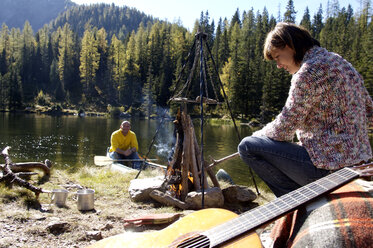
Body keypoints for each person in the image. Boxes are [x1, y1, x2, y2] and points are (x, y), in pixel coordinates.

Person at [238, 22, 373, 197]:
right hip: (360, 164)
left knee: (247, 146)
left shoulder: (308, 72)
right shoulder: (341, 63)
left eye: (278, 57)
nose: (278, 65)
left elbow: (283, 130)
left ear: (290, 46)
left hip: (329, 170)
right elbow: (370, 112)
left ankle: (298, 204)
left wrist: (259, 134)